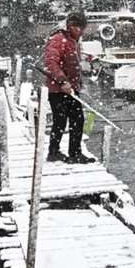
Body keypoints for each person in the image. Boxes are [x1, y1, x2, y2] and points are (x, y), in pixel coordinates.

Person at [43, 11, 96, 164]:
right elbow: (51, 64)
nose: (82, 31)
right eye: (79, 28)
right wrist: (62, 81)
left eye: (84, 28)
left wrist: (78, 82)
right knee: (60, 120)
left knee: (78, 119)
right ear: (70, 26)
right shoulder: (58, 39)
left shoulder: (74, 40)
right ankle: (53, 152)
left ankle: (75, 152)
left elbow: (75, 64)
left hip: (71, 88)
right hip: (57, 89)